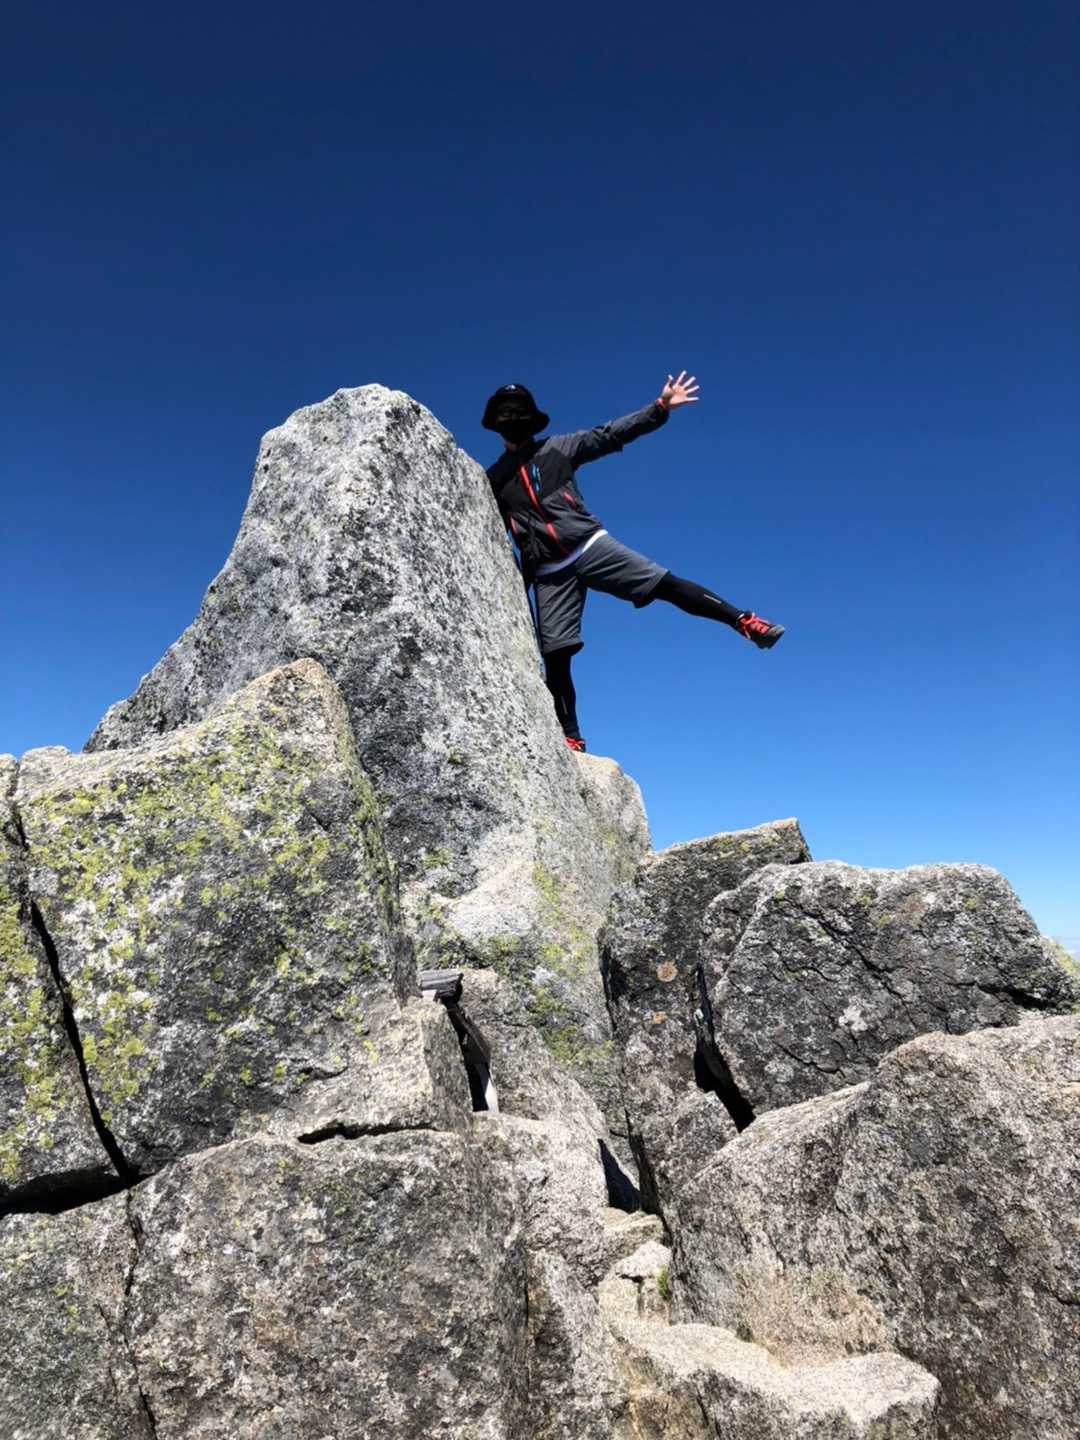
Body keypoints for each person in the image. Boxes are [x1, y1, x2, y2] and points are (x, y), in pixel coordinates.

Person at [483, 373, 784, 751]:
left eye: (519, 411)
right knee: (555, 656)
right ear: (494, 421)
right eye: (505, 413)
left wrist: (660, 408)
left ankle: (743, 621)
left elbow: (610, 434)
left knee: (664, 584)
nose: (513, 418)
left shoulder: (558, 449)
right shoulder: (494, 479)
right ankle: (571, 736)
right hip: (549, 572)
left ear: (533, 418)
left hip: (589, 545)